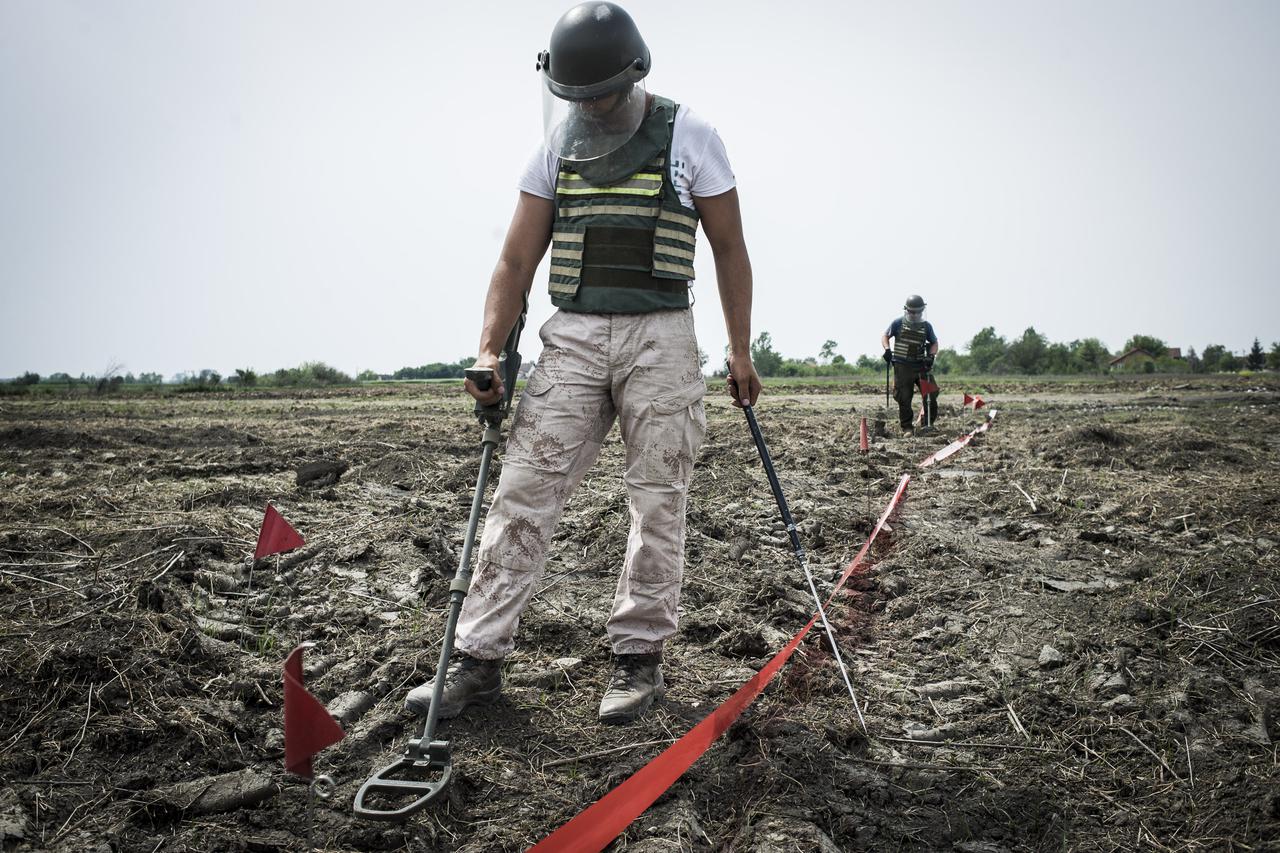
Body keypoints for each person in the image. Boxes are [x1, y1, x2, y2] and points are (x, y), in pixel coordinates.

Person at [405, 1, 760, 726]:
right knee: (523, 491)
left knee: (658, 500)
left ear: (633, 74)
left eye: (603, 93)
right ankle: (477, 658)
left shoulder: (690, 135)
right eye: (579, 95)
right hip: (572, 337)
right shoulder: (553, 148)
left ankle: (638, 657)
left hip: (661, 336)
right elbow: (515, 260)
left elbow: (730, 247)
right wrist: (488, 347)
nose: (592, 106)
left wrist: (740, 349)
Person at [880, 295, 938, 433]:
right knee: (904, 397)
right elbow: (885, 336)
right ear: (907, 310)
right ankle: (907, 427)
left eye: (918, 312)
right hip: (902, 365)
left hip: (921, 365)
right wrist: (887, 349)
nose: (915, 315)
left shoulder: (927, 326)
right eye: (912, 312)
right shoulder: (898, 323)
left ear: (922, 311)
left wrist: (931, 356)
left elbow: (934, 342)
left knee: (931, 394)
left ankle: (927, 424)